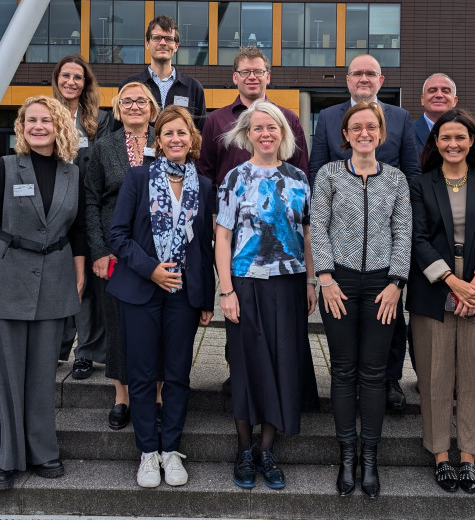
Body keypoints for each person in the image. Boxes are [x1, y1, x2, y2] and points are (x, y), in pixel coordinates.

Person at [0, 95, 86, 492]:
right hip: (7, 278)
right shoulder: (5, 167)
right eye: (31, 120)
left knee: (42, 374)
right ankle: (7, 457)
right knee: (7, 374)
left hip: (55, 278)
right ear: (22, 127)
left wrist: (78, 275)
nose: (39, 126)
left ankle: (42, 451)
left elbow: (77, 231)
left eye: (46, 120)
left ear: (59, 126)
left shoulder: (72, 173)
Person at [108, 105, 215, 489]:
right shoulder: (138, 179)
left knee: (177, 374)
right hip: (141, 289)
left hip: (183, 293)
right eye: (168, 133)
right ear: (158, 140)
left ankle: (171, 449)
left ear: (192, 140)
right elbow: (117, 236)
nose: (175, 139)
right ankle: (148, 453)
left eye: (182, 133)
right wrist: (150, 268)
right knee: (140, 374)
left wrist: (206, 300)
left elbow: (204, 245)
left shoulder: (203, 186)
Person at [311, 101, 412, 498]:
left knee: (373, 373)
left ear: (381, 134)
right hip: (339, 282)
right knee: (342, 371)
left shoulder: (397, 179)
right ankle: (346, 454)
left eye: (372, 127)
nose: (364, 133)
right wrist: (325, 277)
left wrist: (397, 282)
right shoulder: (329, 174)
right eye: (357, 127)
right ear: (347, 134)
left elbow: (403, 231)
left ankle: (370, 457)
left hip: (382, 287)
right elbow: (317, 226)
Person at [309, 54, 420, 413]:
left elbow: (412, 171)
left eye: (370, 73)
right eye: (357, 73)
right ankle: (350, 382)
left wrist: (401, 221)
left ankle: (388, 381)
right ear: (347, 79)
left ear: (381, 79)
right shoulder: (328, 117)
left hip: (384, 242)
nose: (364, 78)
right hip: (342, 239)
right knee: (346, 328)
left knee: (390, 318)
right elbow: (317, 169)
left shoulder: (400, 118)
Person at [216, 101, 317, 491]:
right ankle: (244, 450)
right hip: (245, 283)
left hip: (289, 283)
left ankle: (267, 449)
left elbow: (307, 235)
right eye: (258, 128)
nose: (266, 134)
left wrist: (311, 282)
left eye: (272, 127)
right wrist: (226, 290)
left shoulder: (298, 178)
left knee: (282, 363)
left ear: (283, 133)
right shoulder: (234, 177)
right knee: (245, 365)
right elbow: (222, 237)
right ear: (247, 134)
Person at [407, 108, 475, 495]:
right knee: (434, 376)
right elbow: (416, 237)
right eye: (445, 138)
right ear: (435, 142)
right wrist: (452, 282)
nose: (452, 144)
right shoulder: (421, 184)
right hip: (435, 287)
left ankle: (468, 457)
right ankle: (440, 455)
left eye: (460, 137)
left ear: (471, 142)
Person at [85, 81, 159, 432]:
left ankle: (157, 394)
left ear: (152, 107)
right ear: (117, 108)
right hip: (114, 253)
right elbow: (90, 202)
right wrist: (99, 252)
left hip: (159, 251)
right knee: (117, 325)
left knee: (156, 325)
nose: (134, 106)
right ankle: (122, 396)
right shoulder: (103, 148)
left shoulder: (166, 141)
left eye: (140, 101)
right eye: (126, 101)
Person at [51, 55, 109, 378]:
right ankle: (56, 348)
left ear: (85, 83)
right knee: (56, 281)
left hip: (85, 208)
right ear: (57, 78)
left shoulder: (98, 120)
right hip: (53, 208)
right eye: (66, 76)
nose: (71, 82)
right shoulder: (45, 113)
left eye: (78, 77)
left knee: (84, 282)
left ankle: (85, 352)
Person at [198, 46, 309, 199]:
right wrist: (213, 214)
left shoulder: (289, 119)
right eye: (245, 72)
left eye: (258, 72)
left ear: (268, 77)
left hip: (279, 213)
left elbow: (301, 169)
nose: (252, 77)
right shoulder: (215, 120)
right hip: (229, 215)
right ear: (235, 78)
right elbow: (205, 173)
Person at [120, 15, 207, 131]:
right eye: (156, 38)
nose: (162, 43)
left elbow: (200, 133)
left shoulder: (193, 87)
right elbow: (119, 131)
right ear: (147, 44)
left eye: (169, 39)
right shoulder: (129, 85)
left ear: (176, 46)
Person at [412, 72, 460, 150]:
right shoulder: (406, 132)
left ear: (455, 101)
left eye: (445, 91)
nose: (439, 95)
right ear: (422, 100)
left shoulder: (467, 133)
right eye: (432, 90)